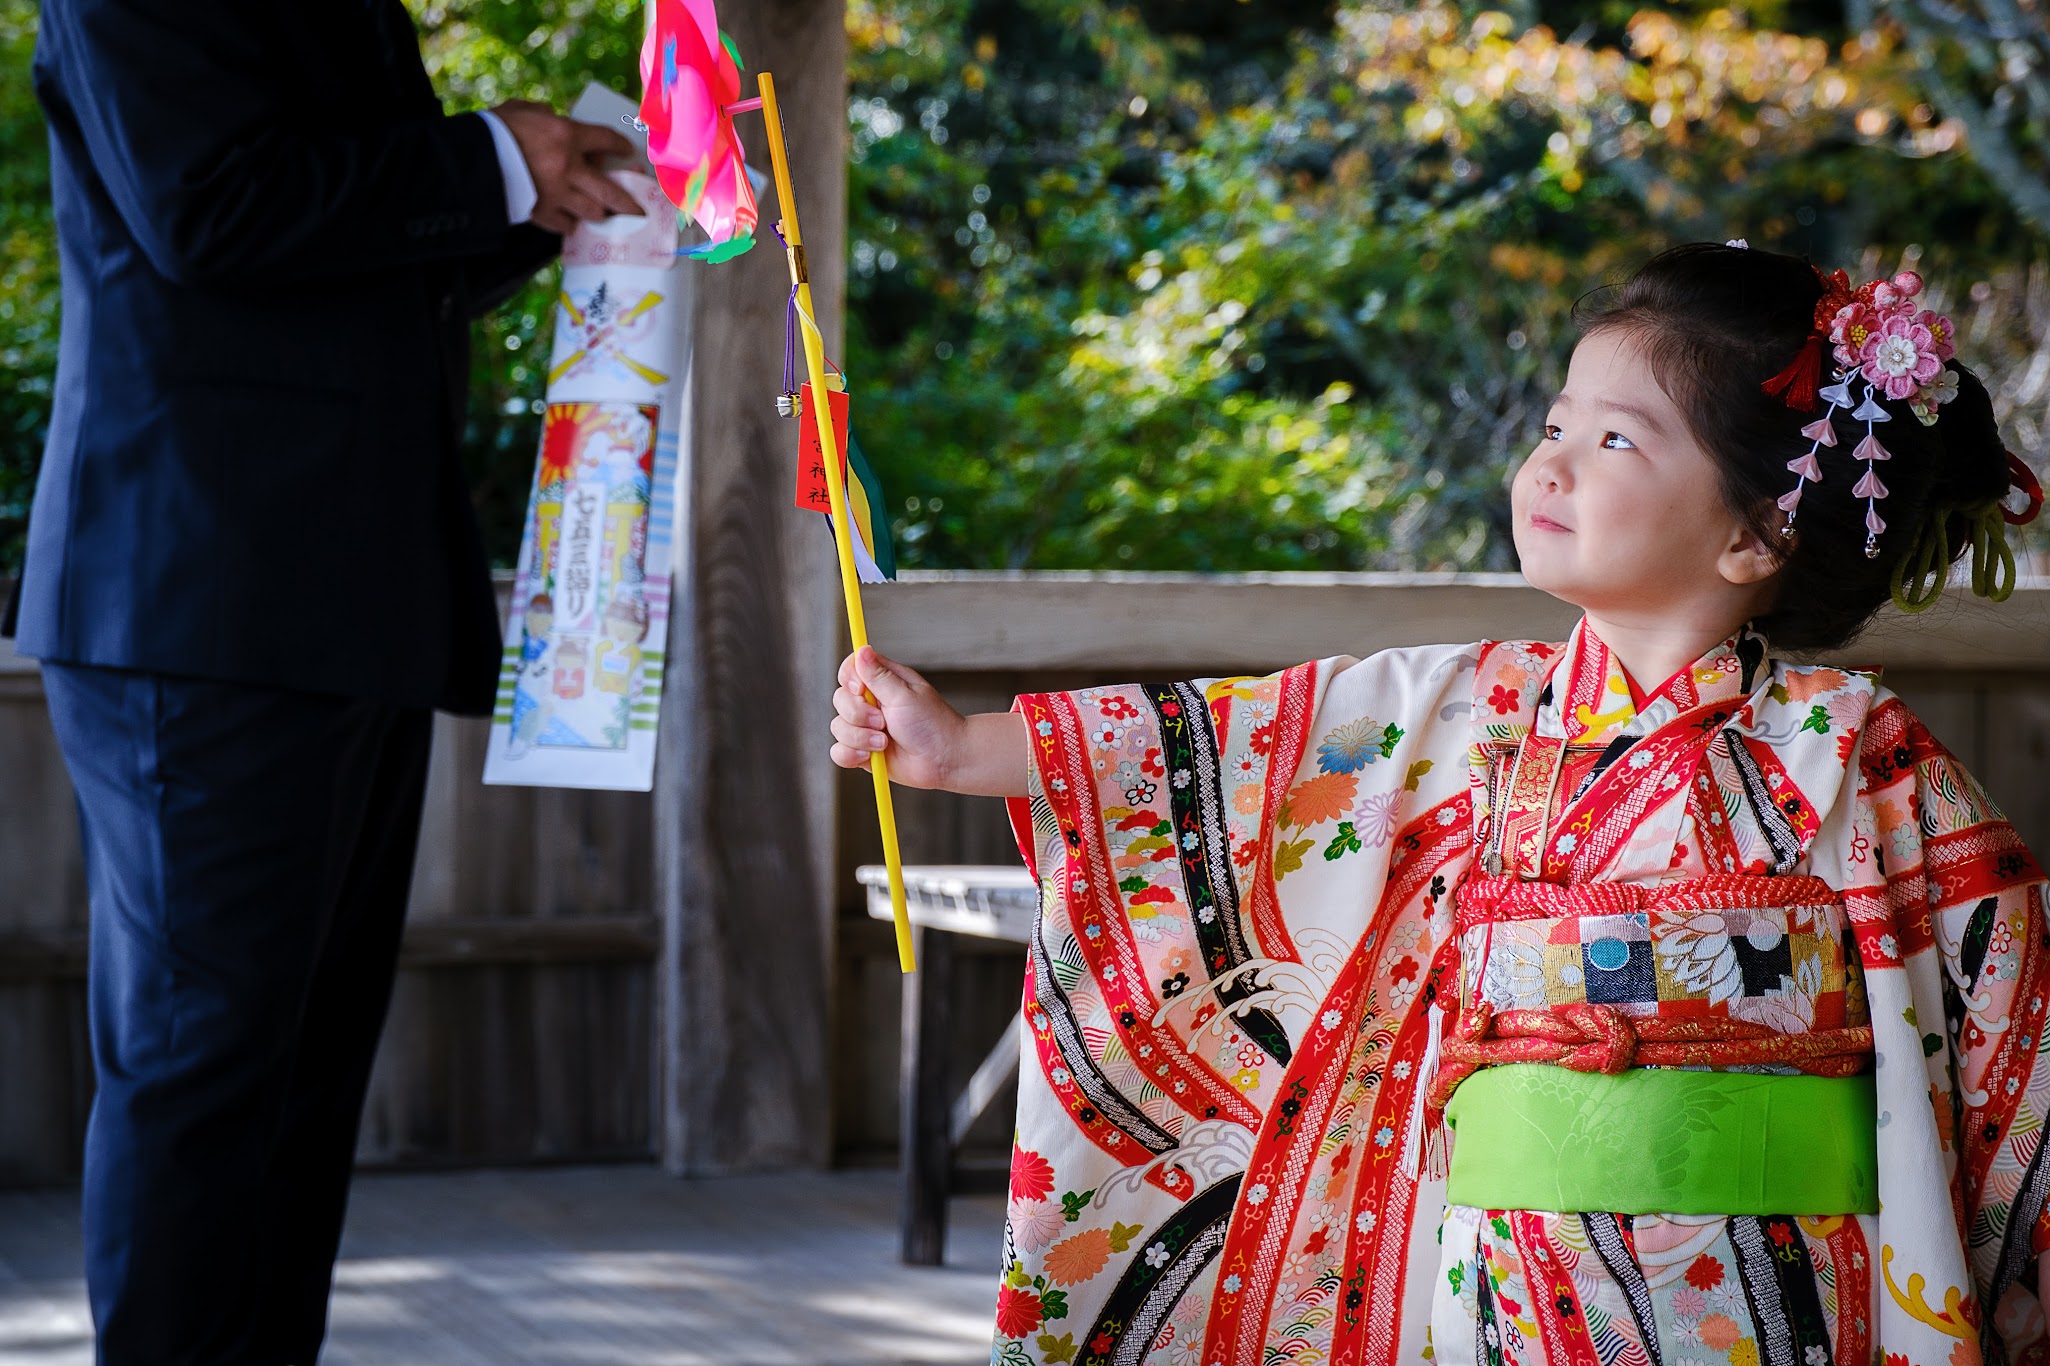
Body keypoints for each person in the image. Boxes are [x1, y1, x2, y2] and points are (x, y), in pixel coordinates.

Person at [829, 243, 2050, 1365]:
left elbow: (2004, 1009)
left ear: (1758, 530)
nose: (1551, 463)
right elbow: (1245, 746)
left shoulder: (1853, 754)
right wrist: (962, 747)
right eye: (1555, 424)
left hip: (1775, 1285)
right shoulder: (1477, 710)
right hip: (1508, 1274)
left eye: (1615, 440)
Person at [2, 2, 643, 1361]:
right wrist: (488, 160)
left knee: (298, 1083)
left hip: (347, 594)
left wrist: (538, 203)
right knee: (203, 1078)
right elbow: (208, 211)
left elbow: (350, 260)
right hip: (201, 595)